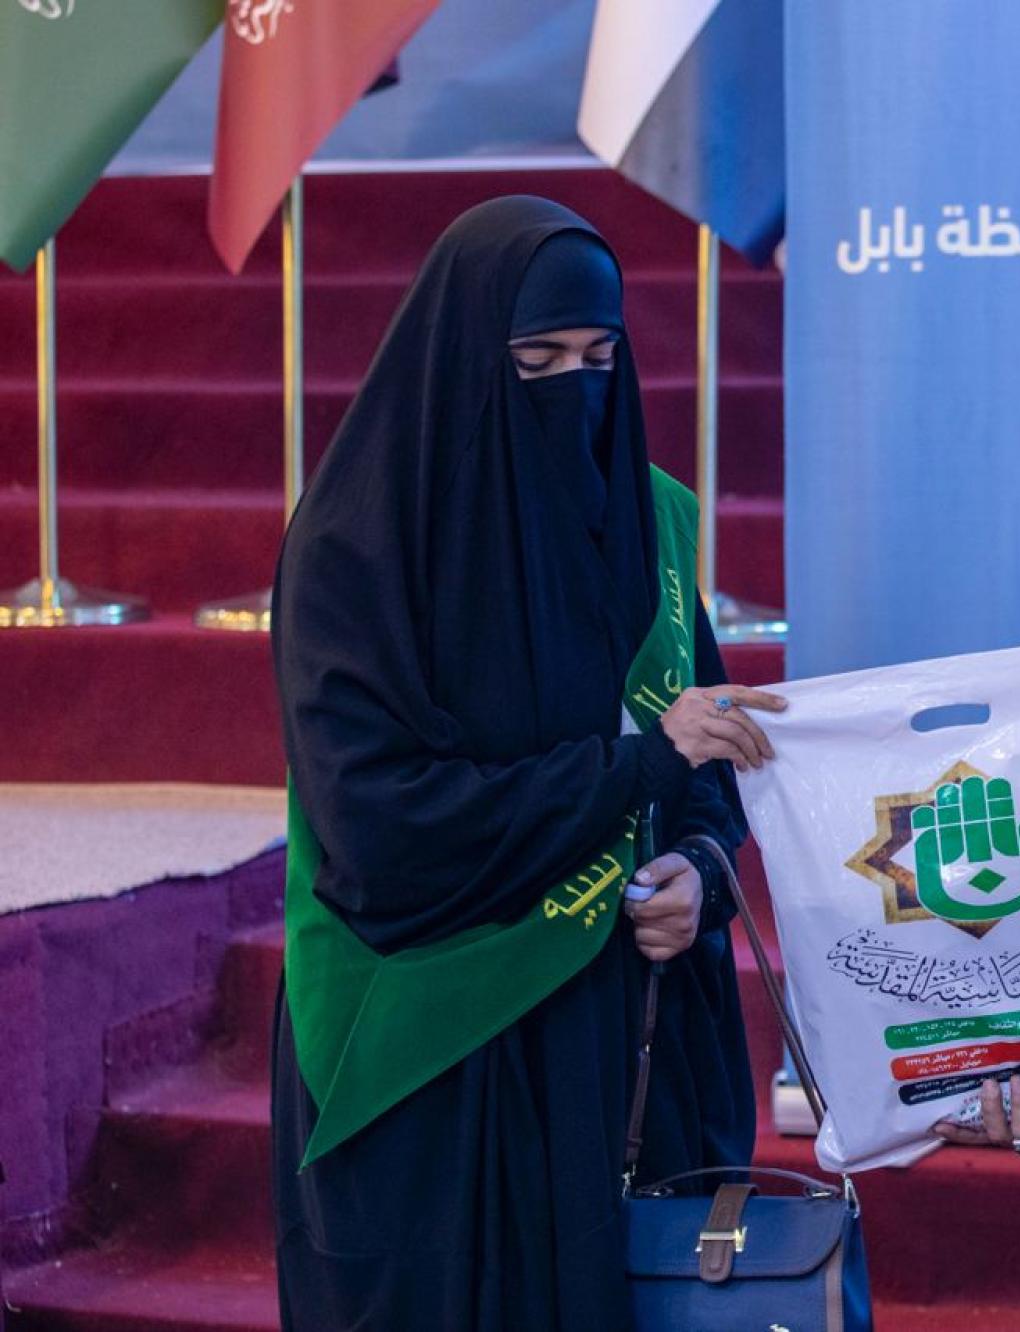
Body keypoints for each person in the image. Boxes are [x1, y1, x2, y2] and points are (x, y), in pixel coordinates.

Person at [269, 196, 785, 1331]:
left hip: (623, 1037)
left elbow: (705, 756)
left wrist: (699, 873)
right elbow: (379, 828)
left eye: (600, 360)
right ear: (464, 355)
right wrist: (635, 774)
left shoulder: (644, 522)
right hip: (438, 1050)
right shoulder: (360, 547)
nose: (573, 389)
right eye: (537, 362)